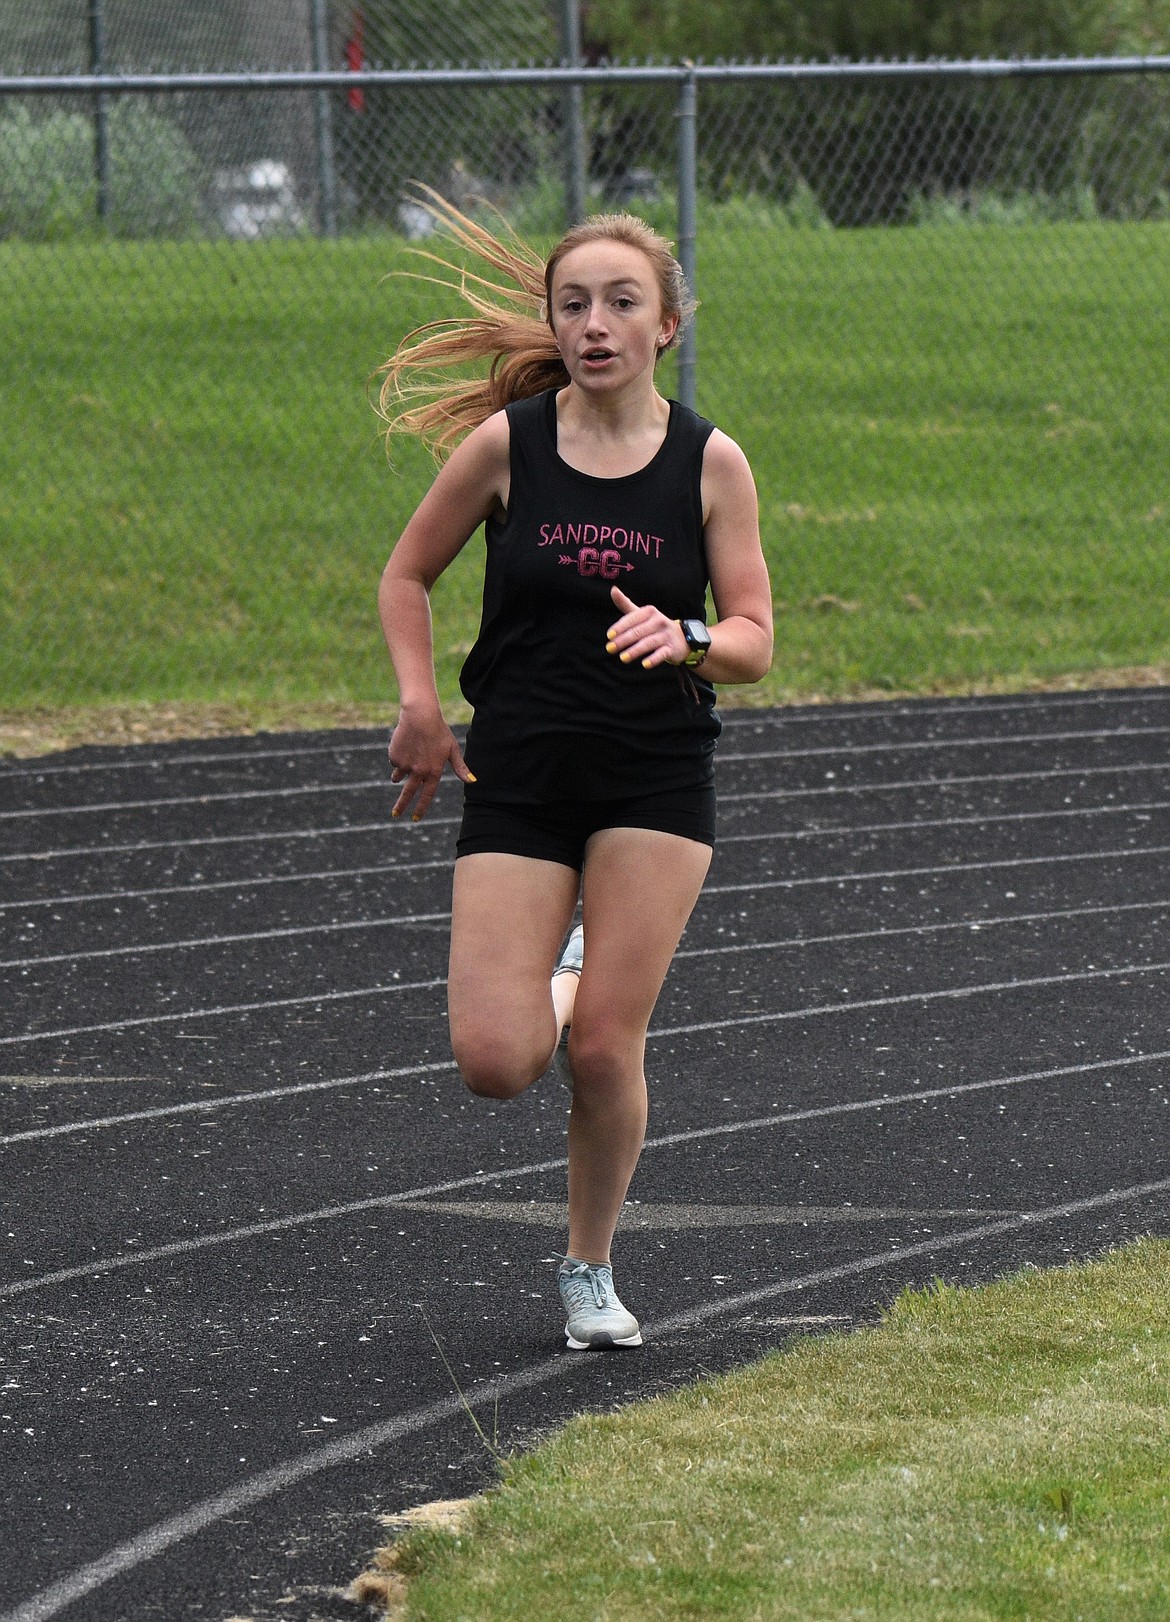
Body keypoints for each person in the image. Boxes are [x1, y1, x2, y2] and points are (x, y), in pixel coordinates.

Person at [376, 191, 772, 1350]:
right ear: (554, 324)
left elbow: (752, 637)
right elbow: (406, 578)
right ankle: (571, 968)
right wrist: (415, 701)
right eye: (573, 304)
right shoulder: (511, 446)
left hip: (654, 774)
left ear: (667, 324)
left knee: (605, 1045)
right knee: (497, 1062)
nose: (595, 323)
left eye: (621, 302)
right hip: (523, 771)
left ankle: (588, 1269)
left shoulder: (711, 463)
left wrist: (688, 636)